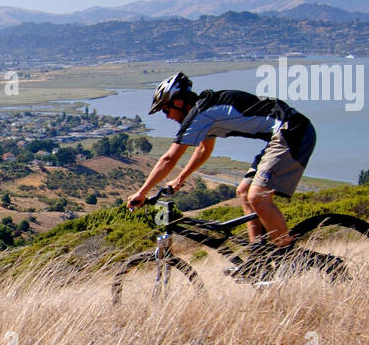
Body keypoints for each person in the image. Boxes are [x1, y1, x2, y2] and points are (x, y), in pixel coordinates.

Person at [127, 72, 316, 268]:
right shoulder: (205, 112)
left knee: (258, 197)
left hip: (292, 131)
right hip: (281, 135)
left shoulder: (200, 114)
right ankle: (258, 259)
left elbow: (169, 158)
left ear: (179, 102)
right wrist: (180, 178)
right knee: (243, 191)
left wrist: (142, 192)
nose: (167, 117)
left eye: (166, 110)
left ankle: (291, 256)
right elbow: (204, 149)